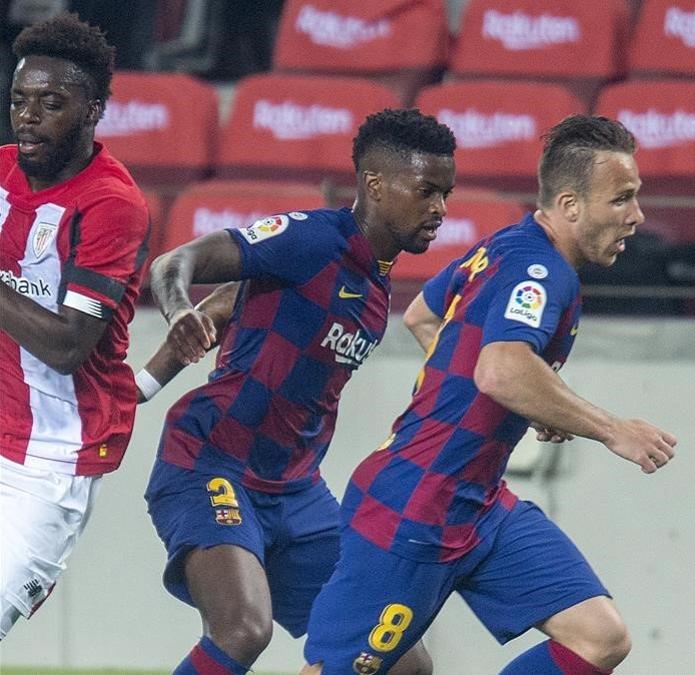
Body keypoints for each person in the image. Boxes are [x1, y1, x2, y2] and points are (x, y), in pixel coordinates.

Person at [303, 115, 678, 675]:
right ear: (572, 205)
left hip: (479, 503)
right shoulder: (540, 269)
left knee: (598, 637)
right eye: (621, 199)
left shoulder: (508, 245)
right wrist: (610, 428)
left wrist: (533, 398)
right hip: (414, 506)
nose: (636, 215)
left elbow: (426, 315)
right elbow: (500, 370)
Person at [141, 108, 454, 675]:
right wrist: (174, 313)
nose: (440, 209)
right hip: (211, 462)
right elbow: (175, 261)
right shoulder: (310, 239)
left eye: (446, 194)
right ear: (375, 185)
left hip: (297, 492)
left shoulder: (378, 290)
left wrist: (149, 376)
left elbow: (227, 303)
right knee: (243, 629)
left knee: (403, 663)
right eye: (427, 191)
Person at [0, 13, 150, 640]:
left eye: (51, 103)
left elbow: (66, 345)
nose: (28, 116)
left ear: (93, 110)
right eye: (19, 100)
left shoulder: (112, 204)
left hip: (47, 463)